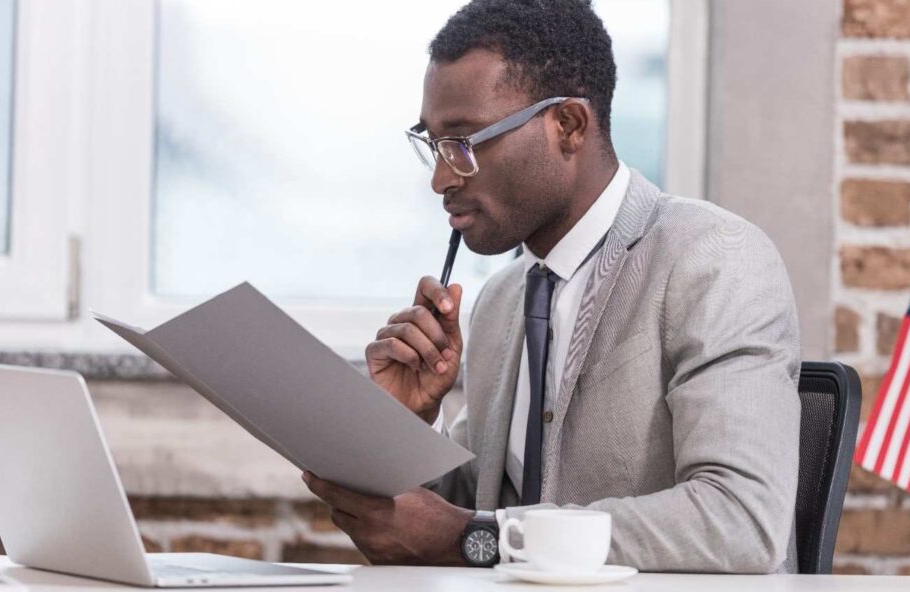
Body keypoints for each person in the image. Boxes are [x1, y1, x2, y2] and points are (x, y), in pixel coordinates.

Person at [303, 0, 801, 573]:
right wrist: (413, 425)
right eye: (434, 145)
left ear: (568, 126)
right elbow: (472, 514)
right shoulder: (500, 300)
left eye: (463, 144)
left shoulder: (713, 261)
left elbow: (741, 520)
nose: (441, 179)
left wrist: (478, 536)